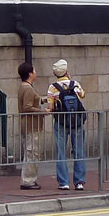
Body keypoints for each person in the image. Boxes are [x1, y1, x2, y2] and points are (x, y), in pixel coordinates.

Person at [47, 58, 88, 191]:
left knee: (61, 152)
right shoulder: (75, 84)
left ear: (55, 74)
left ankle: (64, 182)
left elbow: (51, 106)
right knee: (79, 151)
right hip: (77, 122)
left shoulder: (53, 87)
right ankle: (79, 182)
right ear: (67, 71)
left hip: (61, 122)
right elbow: (82, 95)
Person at [17, 62, 49, 190]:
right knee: (32, 152)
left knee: (31, 152)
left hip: (29, 125)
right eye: (34, 70)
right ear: (30, 73)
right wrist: (44, 111)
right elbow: (27, 107)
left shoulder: (24, 87)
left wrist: (45, 99)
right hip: (32, 125)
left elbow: (33, 100)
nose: (36, 72)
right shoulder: (28, 88)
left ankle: (30, 178)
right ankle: (28, 181)